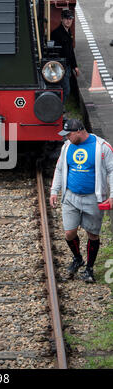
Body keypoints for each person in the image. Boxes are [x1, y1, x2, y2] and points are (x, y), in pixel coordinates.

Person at [50, 119, 113, 283]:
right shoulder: (67, 147)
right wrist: (54, 190)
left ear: (79, 131)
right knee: (69, 233)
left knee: (92, 234)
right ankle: (78, 258)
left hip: (93, 197)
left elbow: (112, 171)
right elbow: (60, 168)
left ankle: (89, 269)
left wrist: (112, 195)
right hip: (70, 197)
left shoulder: (102, 147)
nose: (66, 138)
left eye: (69, 134)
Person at [51, 9, 79, 105]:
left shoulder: (69, 32)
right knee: (65, 90)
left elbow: (71, 51)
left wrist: (75, 66)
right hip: (60, 66)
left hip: (67, 65)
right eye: (66, 18)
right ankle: (58, 109)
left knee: (66, 89)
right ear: (61, 19)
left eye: (70, 19)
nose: (68, 21)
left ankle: (59, 109)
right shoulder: (56, 33)